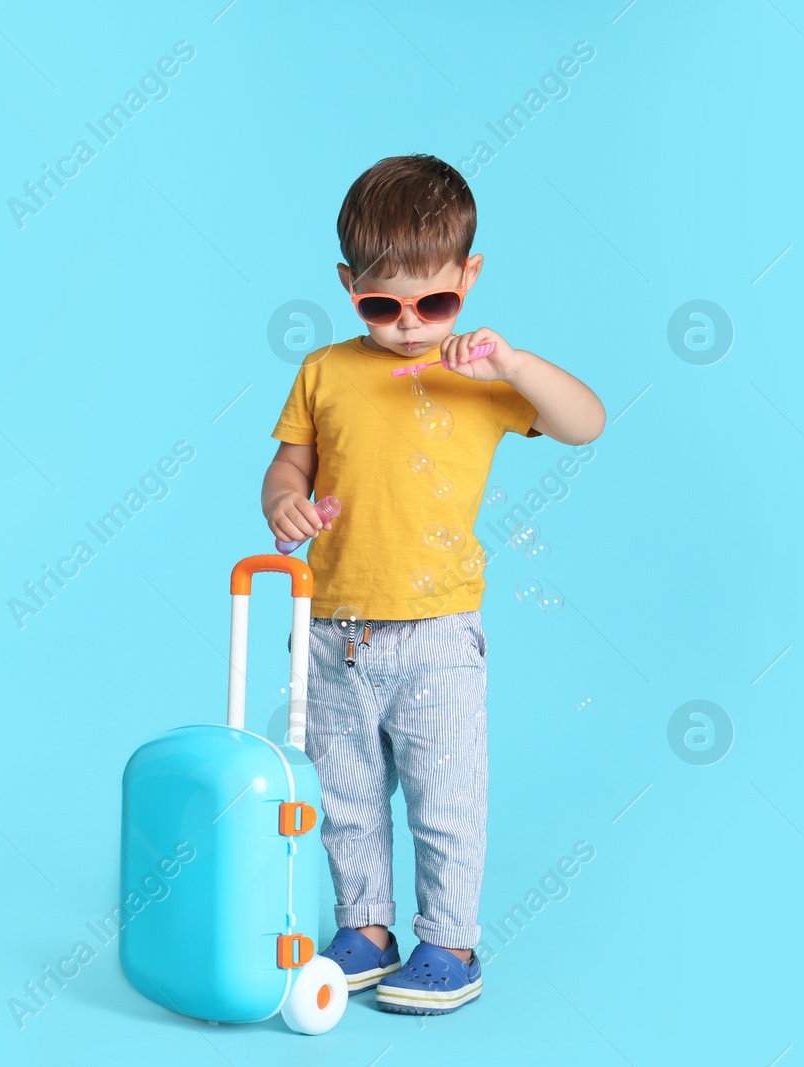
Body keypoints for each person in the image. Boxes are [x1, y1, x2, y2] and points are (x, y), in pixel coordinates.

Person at [261, 154, 604, 1015]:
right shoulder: (325, 372)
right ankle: (366, 928)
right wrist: (287, 504)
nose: (409, 325)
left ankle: (449, 942)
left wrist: (517, 366)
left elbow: (586, 423)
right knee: (342, 796)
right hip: (333, 629)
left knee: (445, 801)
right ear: (348, 286)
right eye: (382, 305)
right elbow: (285, 468)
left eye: (434, 302)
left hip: (438, 635)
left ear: (468, 278)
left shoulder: (480, 373)